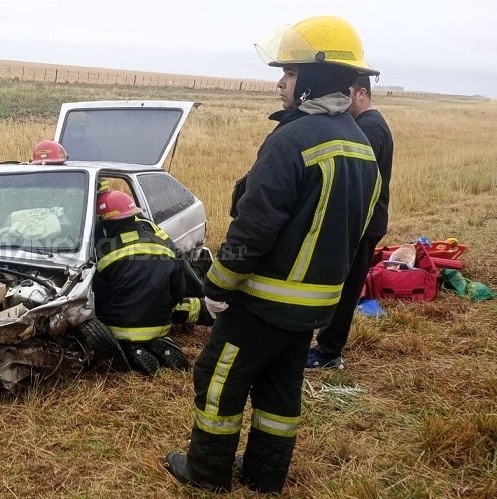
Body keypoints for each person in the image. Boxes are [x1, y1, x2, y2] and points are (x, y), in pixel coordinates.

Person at [164, 16, 382, 494]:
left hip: (264, 302)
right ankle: (266, 476)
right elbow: (360, 226)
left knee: (218, 376)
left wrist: (218, 287)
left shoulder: (292, 140)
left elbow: (254, 226)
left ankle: (207, 471)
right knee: (280, 391)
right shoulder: (362, 145)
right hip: (314, 306)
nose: (280, 82)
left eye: (289, 73)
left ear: (316, 77)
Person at [307, 74, 394, 369]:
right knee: (342, 284)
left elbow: (354, 177)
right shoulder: (369, 124)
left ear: (360, 93)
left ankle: (329, 353)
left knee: (344, 289)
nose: (341, 102)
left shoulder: (369, 127)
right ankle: (327, 346)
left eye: (346, 94)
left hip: (364, 222)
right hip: (364, 220)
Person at [93, 189, 190, 375]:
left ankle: (131, 349)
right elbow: (179, 292)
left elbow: (98, 300)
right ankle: (156, 342)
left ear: (108, 224)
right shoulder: (165, 247)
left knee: (119, 330)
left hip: (119, 327)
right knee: (151, 327)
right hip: (161, 323)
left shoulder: (104, 253)